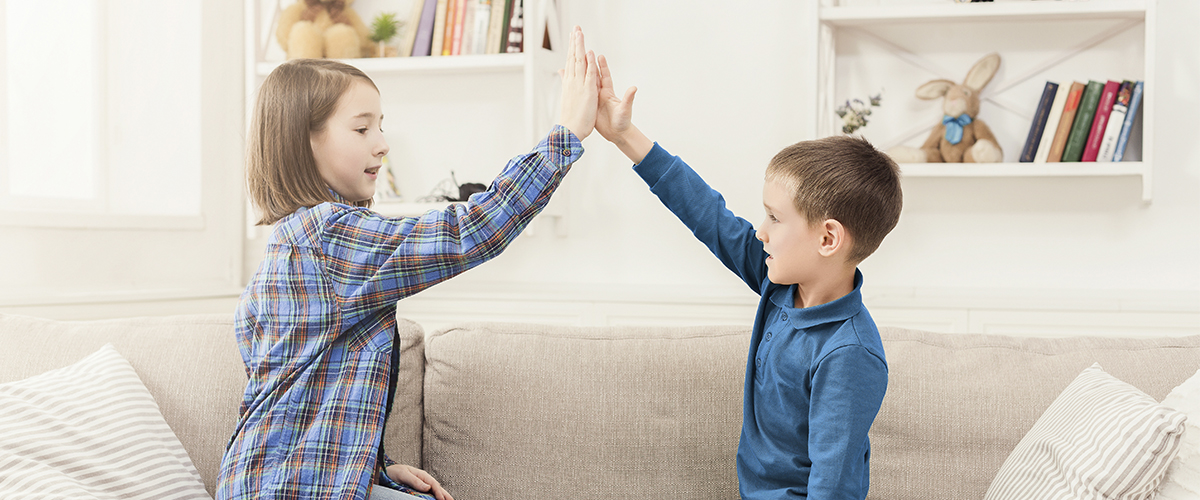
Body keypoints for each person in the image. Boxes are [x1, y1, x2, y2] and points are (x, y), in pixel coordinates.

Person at [216, 27, 599, 500]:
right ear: (306, 142)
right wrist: (565, 138)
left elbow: (304, 393)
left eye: (380, 124)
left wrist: (374, 468)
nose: (382, 142)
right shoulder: (329, 236)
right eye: (361, 128)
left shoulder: (293, 242)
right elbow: (466, 232)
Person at [592, 55, 902, 499]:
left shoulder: (849, 354)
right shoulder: (779, 283)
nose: (760, 230)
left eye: (775, 218)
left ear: (828, 238)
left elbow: (833, 485)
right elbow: (707, 214)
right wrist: (624, 135)